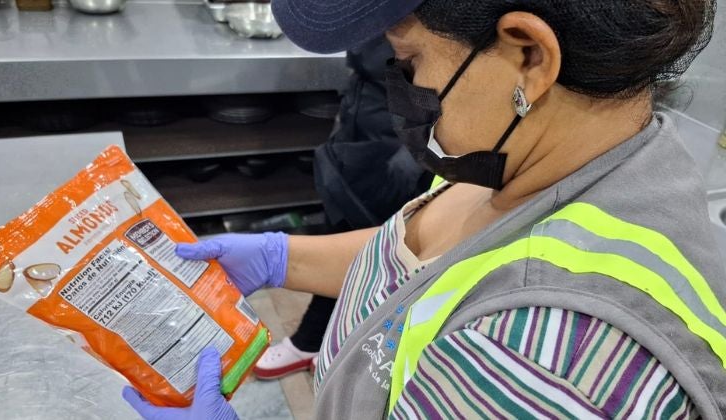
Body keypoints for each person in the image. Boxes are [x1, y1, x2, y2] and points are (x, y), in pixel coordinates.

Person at [122, 0, 726, 418]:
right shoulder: (554, 153)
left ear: (529, 56)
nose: (402, 90)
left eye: (409, 62)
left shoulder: (544, 366)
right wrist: (283, 258)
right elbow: (437, 270)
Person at [254, 35, 431, 380]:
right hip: (363, 120)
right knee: (343, 225)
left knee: (372, 245)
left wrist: (416, 153)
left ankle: (312, 341)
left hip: (404, 144)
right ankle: (324, 340)